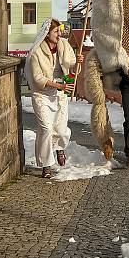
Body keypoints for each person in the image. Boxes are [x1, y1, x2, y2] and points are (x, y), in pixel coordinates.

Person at [25, 18, 82, 178]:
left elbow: (72, 67)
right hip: (42, 94)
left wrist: (78, 63)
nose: (59, 34)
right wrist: (60, 86)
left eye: (60, 30)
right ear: (47, 33)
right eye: (56, 31)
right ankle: (46, 165)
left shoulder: (64, 45)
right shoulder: (37, 52)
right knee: (46, 128)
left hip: (59, 95)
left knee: (61, 130)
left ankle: (59, 148)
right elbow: (38, 79)